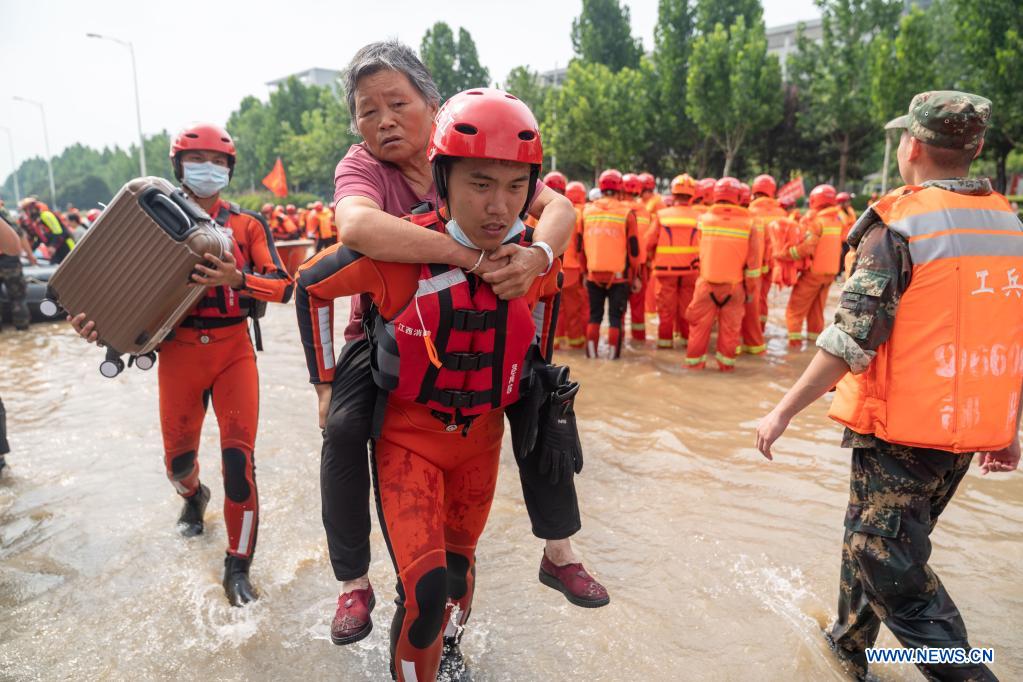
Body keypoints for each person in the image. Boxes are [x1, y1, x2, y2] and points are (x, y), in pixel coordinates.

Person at [319, 40, 604, 647]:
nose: (384, 121)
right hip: (389, 327)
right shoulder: (363, 167)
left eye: (398, 103)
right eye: (368, 112)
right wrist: (466, 255)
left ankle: (559, 549)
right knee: (341, 427)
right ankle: (353, 580)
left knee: (541, 399)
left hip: (482, 321)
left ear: (434, 105)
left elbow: (557, 207)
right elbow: (355, 227)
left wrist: (536, 255)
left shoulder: (481, 148)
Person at [756, 91, 1017, 682]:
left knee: (890, 565)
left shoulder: (900, 225)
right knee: (867, 545)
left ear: (914, 146)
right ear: (974, 148)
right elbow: (1013, 333)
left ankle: (971, 673)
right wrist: (1010, 429)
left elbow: (850, 339)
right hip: (967, 431)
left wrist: (782, 411)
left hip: (907, 431)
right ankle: (849, 655)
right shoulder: (1008, 222)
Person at [69, 123, 294, 606]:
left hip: (234, 352)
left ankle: (237, 566)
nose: (208, 169)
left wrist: (239, 277)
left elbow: (284, 286)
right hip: (177, 354)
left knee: (240, 463)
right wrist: (91, 323)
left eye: (219, 161)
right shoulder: (143, 219)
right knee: (177, 464)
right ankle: (194, 496)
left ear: (230, 170)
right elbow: (105, 286)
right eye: (199, 160)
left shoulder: (248, 225)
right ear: (178, 167)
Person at [684, 177, 761, 371]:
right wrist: (750, 292)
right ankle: (725, 370)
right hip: (734, 288)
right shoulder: (749, 224)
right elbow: (753, 266)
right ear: (737, 196)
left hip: (705, 285)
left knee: (698, 329)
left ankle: (694, 369)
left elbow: (698, 252)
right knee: (730, 332)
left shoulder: (703, 220)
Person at [580, 169, 641, 359]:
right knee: (615, 319)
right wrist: (636, 276)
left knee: (594, 316)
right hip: (618, 278)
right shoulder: (627, 213)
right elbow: (634, 251)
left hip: (592, 275)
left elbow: (579, 247)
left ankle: (591, 357)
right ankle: (613, 360)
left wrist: (584, 273)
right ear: (619, 188)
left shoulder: (586, 211)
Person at [781, 184, 844, 349]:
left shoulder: (817, 222)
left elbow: (807, 247)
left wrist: (787, 254)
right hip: (829, 275)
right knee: (817, 311)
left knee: (795, 310)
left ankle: (793, 347)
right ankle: (813, 346)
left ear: (815, 200)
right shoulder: (837, 220)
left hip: (813, 274)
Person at [651, 174, 701, 348]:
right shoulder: (699, 216)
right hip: (691, 271)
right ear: (692, 194)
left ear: (673, 194)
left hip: (666, 271)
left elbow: (649, 242)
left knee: (665, 311)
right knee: (688, 308)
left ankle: (665, 346)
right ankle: (687, 343)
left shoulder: (662, 215)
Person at [746, 174, 789, 349]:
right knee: (763, 298)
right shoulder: (781, 213)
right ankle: (761, 330)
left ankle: (752, 338)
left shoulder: (750, 211)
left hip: (757, 265)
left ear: (754, 191)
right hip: (775, 264)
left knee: (752, 300)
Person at [550, 175, 588, 351]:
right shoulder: (577, 213)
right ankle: (576, 345)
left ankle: (553, 344)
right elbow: (582, 244)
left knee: (552, 310)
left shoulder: (536, 212)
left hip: (547, 269)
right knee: (574, 310)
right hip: (572, 269)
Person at [622, 173, 656, 342]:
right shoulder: (645, 211)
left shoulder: (618, 209)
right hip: (640, 265)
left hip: (619, 265)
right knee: (638, 308)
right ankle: (639, 340)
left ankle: (618, 340)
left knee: (617, 309)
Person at [0, 206, 31, 332]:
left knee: (18, 299)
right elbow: (20, 235)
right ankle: (23, 332)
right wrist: (30, 255)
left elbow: (15, 244)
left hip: (9, 259)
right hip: (10, 262)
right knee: (18, 298)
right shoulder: (3, 212)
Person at [19, 198, 75, 264]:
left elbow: (59, 232)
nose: (26, 212)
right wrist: (29, 252)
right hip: (55, 250)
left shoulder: (46, 215)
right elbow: (40, 239)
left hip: (66, 246)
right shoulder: (35, 222)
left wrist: (53, 246)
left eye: (26, 209)